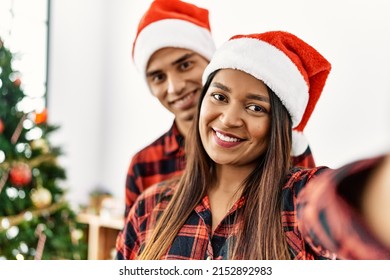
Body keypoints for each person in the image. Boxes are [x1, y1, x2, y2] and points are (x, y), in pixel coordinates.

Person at [116, 30, 390, 260]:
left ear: (279, 127)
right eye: (219, 97)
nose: (229, 118)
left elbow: (346, 208)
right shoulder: (149, 207)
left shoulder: (299, 198)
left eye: (255, 107)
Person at [124, 0, 316, 218]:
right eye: (158, 77)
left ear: (211, 64)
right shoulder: (144, 168)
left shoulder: (287, 152)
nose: (174, 87)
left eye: (185, 65)